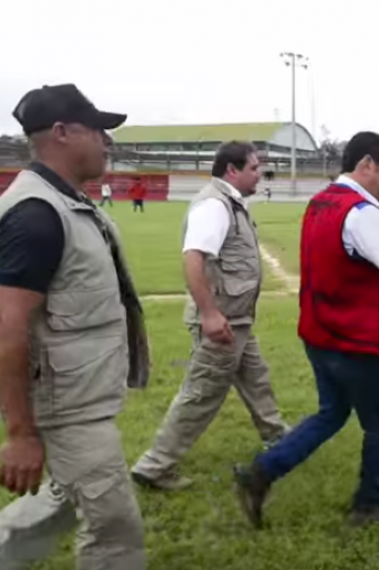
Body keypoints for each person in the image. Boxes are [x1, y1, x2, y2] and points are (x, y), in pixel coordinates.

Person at [232, 131, 379, 529]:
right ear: (366, 165)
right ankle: (370, 503)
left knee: (332, 412)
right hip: (354, 340)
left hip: (319, 333)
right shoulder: (360, 212)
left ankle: (262, 472)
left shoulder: (321, 201)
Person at [0, 84, 150, 570]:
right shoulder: (36, 213)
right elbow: (6, 324)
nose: (107, 141)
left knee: (58, 503)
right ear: (62, 132)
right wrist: (20, 434)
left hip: (78, 397)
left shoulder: (66, 203)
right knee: (114, 529)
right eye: (98, 130)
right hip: (64, 409)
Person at [130, 141, 290, 491]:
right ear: (232, 170)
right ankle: (154, 465)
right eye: (253, 167)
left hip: (237, 320)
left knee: (256, 379)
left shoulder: (229, 203)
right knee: (201, 394)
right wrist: (210, 314)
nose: (259, 173)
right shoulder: (215, 206)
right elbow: (193, 258)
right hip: (222, 321)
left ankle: (279, 439)